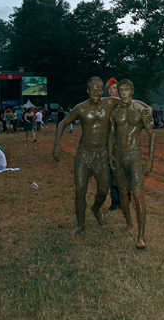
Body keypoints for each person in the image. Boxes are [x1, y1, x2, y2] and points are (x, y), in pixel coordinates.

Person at [53, 77, 126, 235]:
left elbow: (129, 102)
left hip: (102, 155)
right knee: (80, 190)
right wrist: (57, 144)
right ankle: (81, 225)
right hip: (84, 155)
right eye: (93, 90)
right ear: (87, 91)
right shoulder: (81, 108)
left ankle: (95, 208)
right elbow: (62, 124)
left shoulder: (110, 103)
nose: (96, 93)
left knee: (103, 190)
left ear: (102, 90)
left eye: (99, 90)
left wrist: (145, 109)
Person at [108, 79, 155, 249]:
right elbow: (112, 135)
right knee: (122, 192)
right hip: (119, 155)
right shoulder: (115, 110)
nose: (124, 93)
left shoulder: (141, 110)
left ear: (132, 91)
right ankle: (129, 224)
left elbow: (151, 135)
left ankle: (141, 236)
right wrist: (110, 155)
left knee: (137, 194)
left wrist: (150, 158)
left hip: (134, 154)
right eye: (121, 90)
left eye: (127, 89)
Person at [105, 77, 121, 211]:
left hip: (122, 141)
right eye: (110, 88)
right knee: (111, 171)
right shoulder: (105, 104)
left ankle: (125, 197)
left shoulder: (123, 104)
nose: (112, 90)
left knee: (123, 171)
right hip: (109, 141)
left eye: (114, 88)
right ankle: (115, 200)